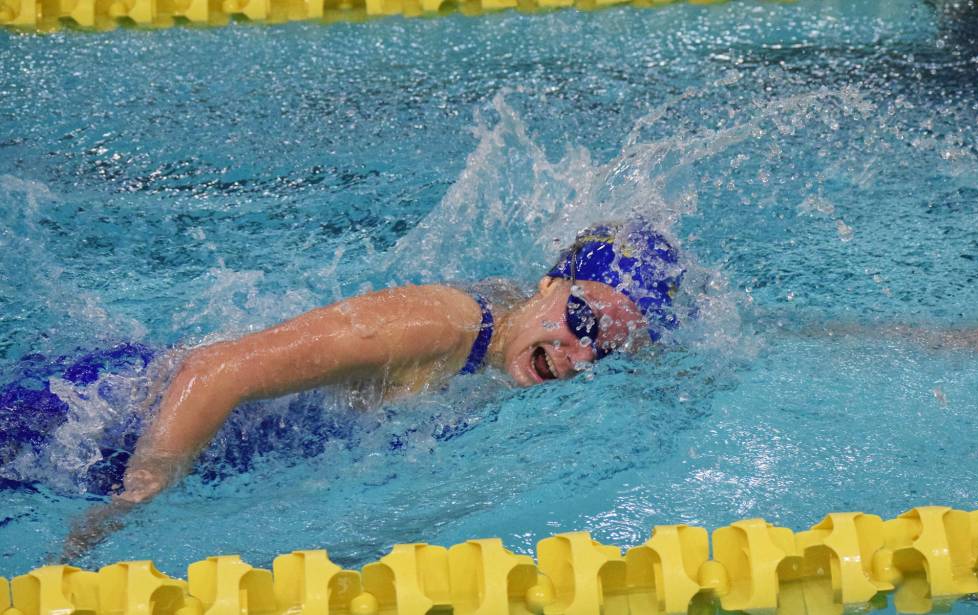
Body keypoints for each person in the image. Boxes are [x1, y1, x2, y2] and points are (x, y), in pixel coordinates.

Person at [60, 217, 687, 557]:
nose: (580, 356)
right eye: (581, 323)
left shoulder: (513, 343)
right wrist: (129, 505)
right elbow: (212, 371)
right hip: (98, 428)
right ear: (550, 284)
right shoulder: (441, 327)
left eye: (607, 349)